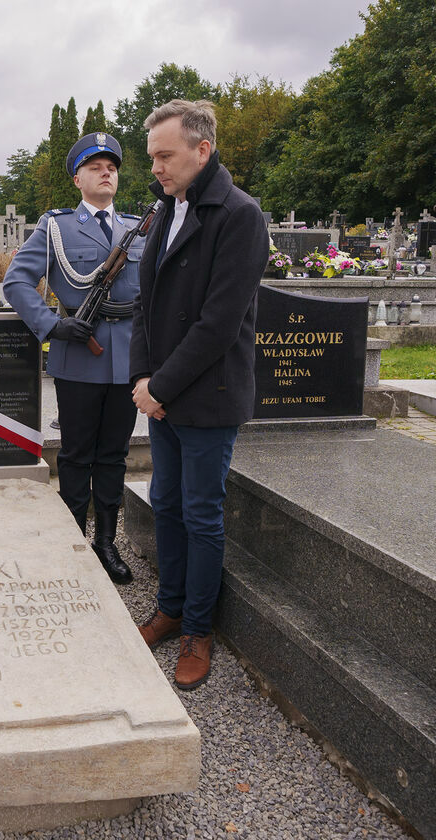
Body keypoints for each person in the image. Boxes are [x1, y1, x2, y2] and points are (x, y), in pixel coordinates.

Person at [129, 99, 267, 690]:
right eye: (152, 157)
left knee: (202, 513)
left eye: (165, 155)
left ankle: (198, 630)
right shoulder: (165, 211)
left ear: (201, 149)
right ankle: (170, 606)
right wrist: (143, 380)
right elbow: (146, 303)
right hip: (162, 395)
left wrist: (159, 385)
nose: (156, 167)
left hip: (206, 394)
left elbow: (219, 322)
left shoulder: (239, 215)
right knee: (166, 504)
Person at [4, 132, 145, 585]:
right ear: (78, 178)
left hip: (129, 356)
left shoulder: (139, 227)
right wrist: (51, 326)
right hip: (78, 354)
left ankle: (106, 542)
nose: (107, 172)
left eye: (112, 166)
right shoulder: (57, 227)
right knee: (78, 453)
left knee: (115, 454)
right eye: (96, 166)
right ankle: (73, 540)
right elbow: (17, 282)